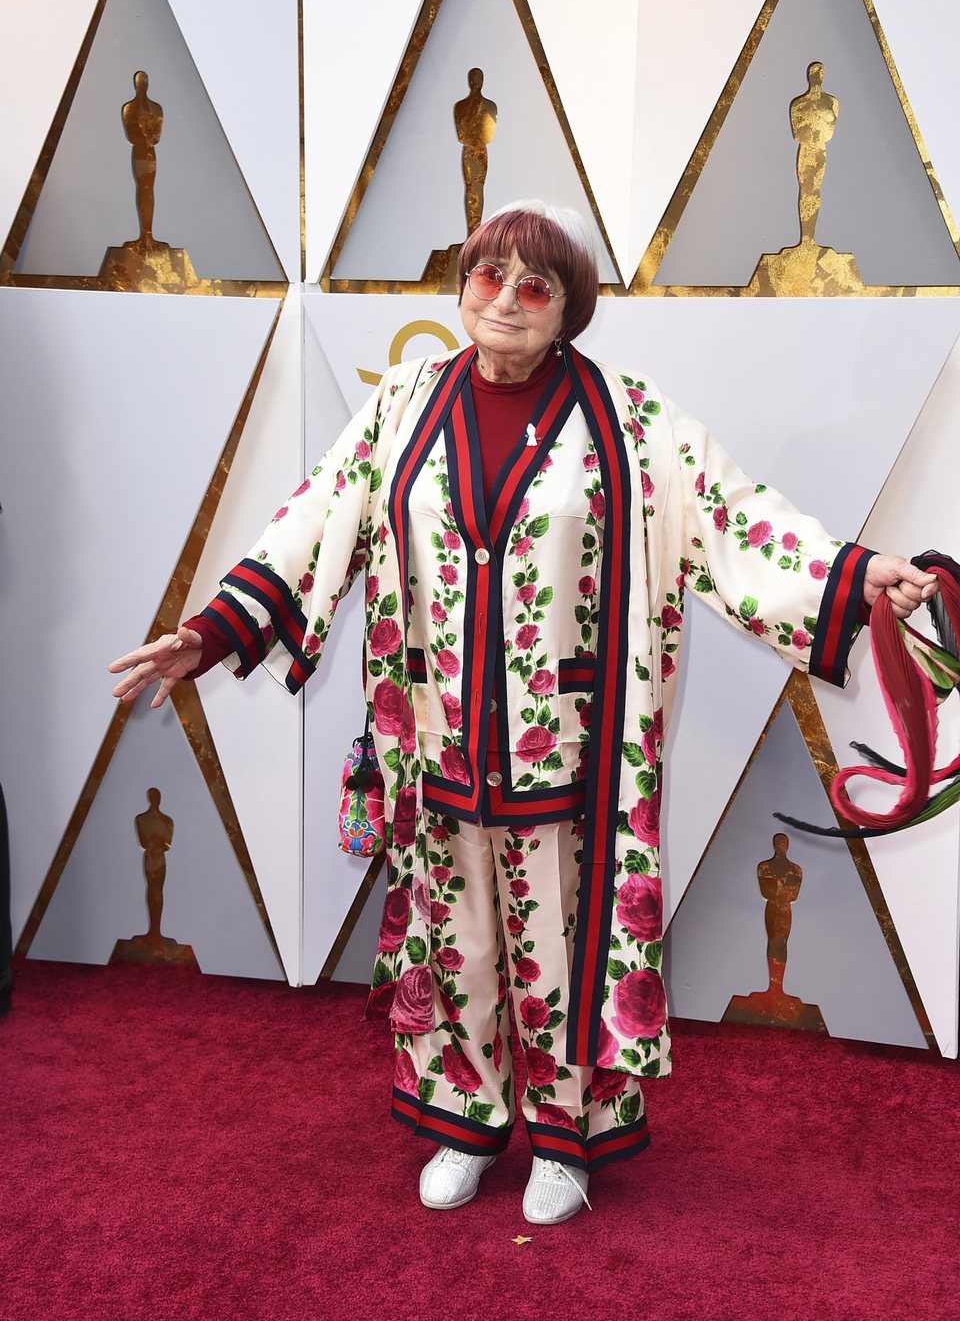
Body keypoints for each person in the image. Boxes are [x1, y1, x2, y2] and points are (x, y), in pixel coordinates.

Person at [108, 199, 938, 1225]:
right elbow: (318, 517)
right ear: (462, 288)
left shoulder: (630, 422)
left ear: (567, 311)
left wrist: (858, 579)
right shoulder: (403, 403)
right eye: (486, 276)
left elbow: (736, 521)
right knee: (457, 937)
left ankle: (563, 1142)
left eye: (532, 285)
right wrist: (213, 631)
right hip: (438, 739)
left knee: (556, 942)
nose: (503, 299)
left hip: (573, 750)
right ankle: (464, 1120)